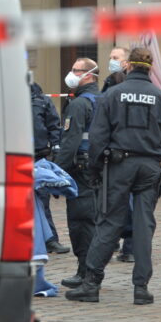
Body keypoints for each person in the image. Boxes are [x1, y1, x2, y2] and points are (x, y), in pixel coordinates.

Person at [65, 47, 161, 304]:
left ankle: (91, 283)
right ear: (149, 67)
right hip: (150, 167)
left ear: (128, 65)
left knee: (109, 223)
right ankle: (141, 288)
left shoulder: (112, 95)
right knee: (143, 226)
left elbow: (97, 137)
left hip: (118, 166)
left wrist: (94, 170)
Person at [54, 58, 101, 289]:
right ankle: (89, 270)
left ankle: (86, 272)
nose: (70, 74)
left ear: (89, 74)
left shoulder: (80, 104)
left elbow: (70, 142)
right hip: (98, 169)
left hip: (80, 170)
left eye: (76, 70)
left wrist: (57, 173)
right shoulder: (102, 99)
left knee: (81, 222)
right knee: (93, 219)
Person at [30, 79, 70, 254]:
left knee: (42, 200)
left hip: (38, 156)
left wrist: (56, 148)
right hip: (11, 157)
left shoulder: (41, 100)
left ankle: (50, 240)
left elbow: (54, 126)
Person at [102, 45, 134, 261]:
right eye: (110, 56)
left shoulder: (122, 83)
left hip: (123, 151)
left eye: (116, 57)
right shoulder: (110, 80)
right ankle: (118, 243)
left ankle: (129, 247)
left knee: (125, 201)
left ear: (125, 62)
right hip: (117, 150)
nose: (112, 60)